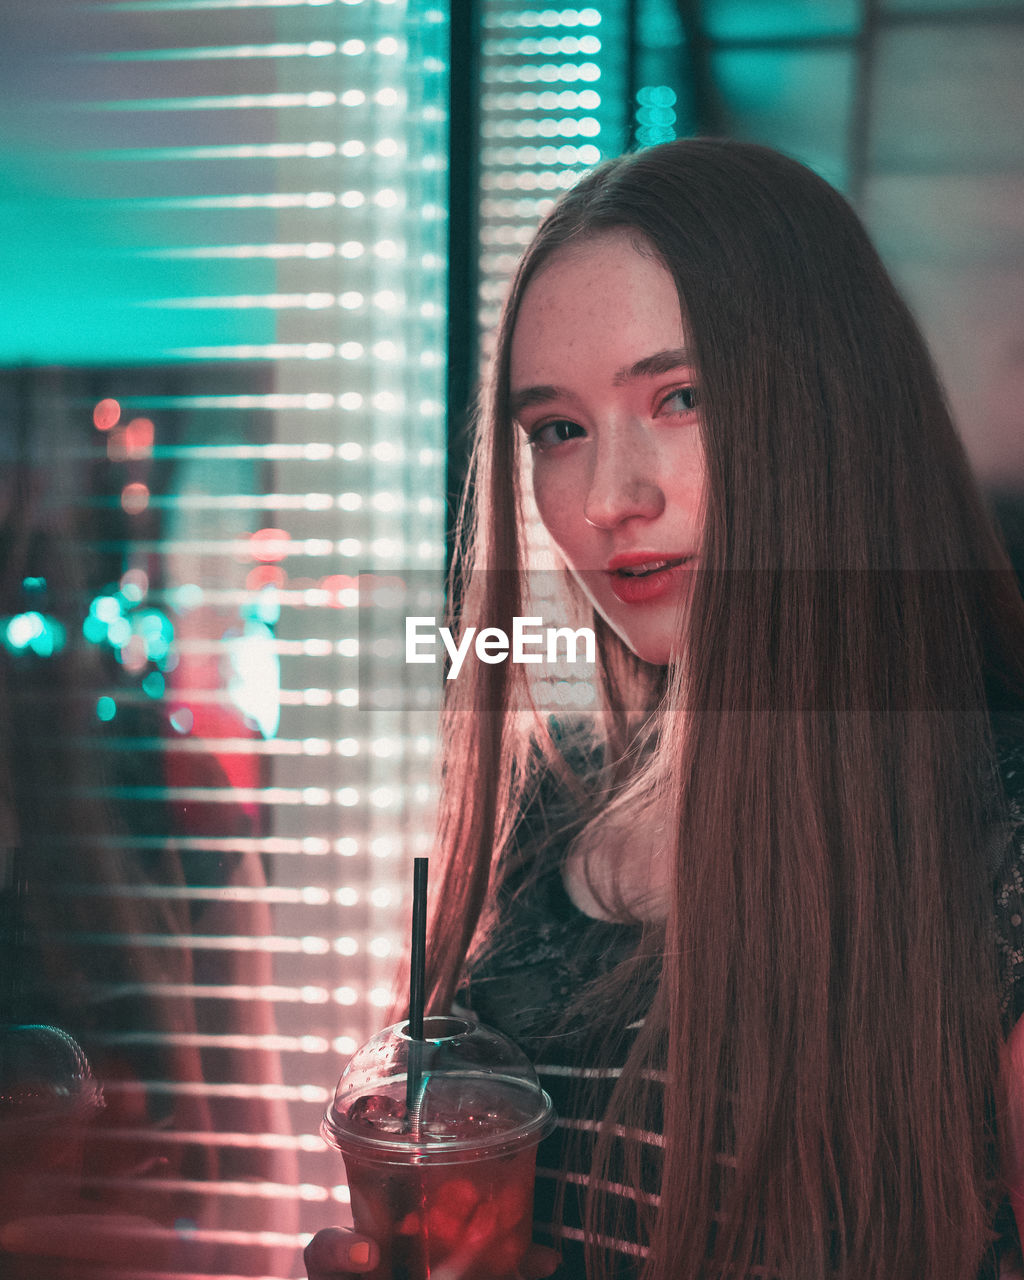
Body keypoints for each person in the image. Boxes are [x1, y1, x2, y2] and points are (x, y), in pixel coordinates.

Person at [305, 138, 1024, 1280]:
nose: (606, 499)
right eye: (558, 429)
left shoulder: (995, 840)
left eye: (681, 397)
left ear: (836, 407)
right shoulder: (556, 801)